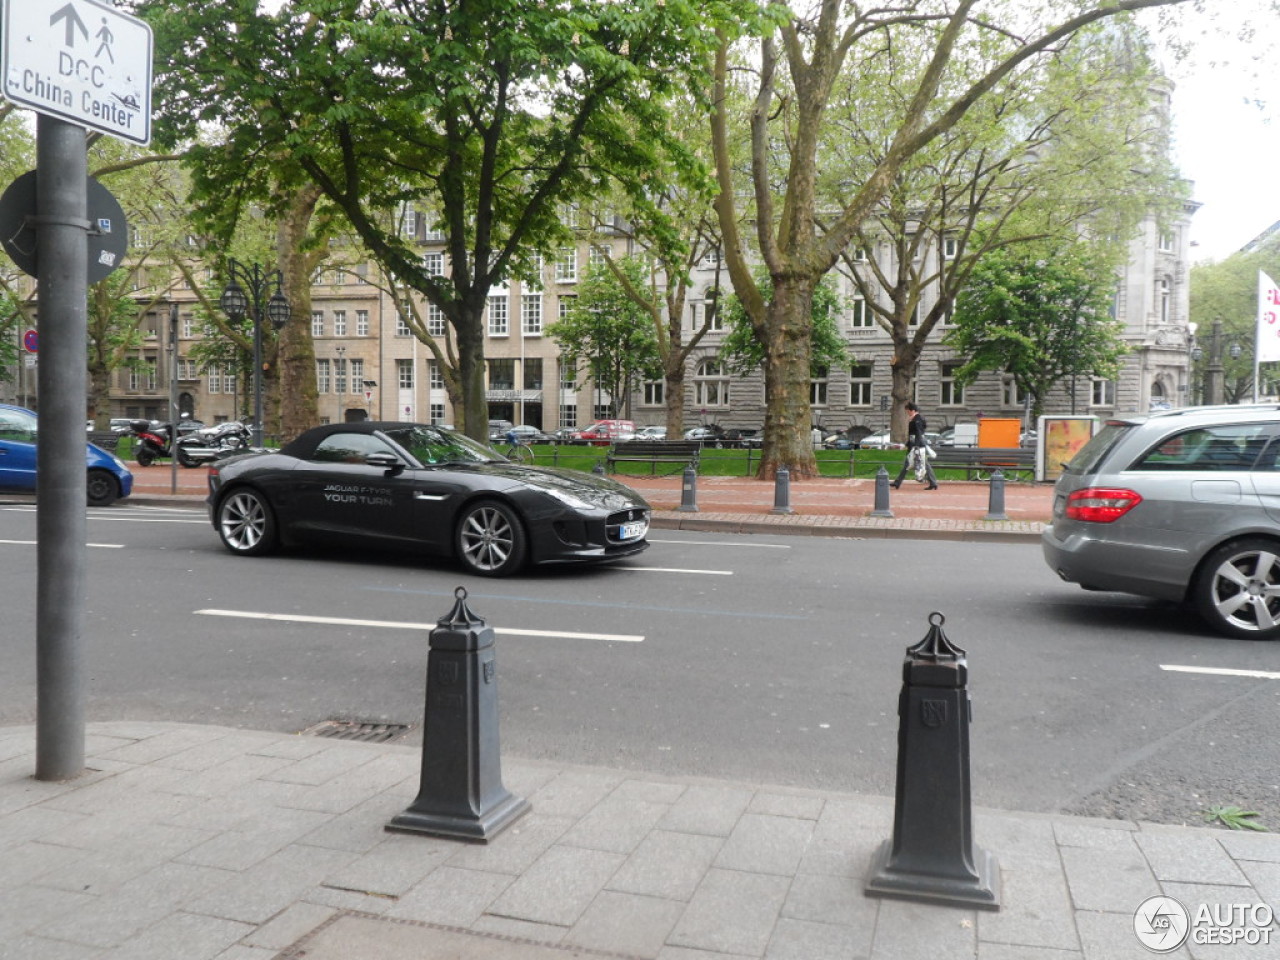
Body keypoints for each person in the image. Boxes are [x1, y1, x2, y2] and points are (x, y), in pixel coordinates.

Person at [891, 402, 938, 490]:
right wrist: (908, 444)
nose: (907, 413)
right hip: (915, 445)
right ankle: (933, 483)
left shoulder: (917, 419)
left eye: (908, 411)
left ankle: (897, 482)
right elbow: (914, 434)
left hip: (917, 445)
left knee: (913, 463)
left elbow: (918, 433)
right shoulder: (915, 419)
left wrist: (915, 446)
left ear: (912, 410)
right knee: (919, 463)